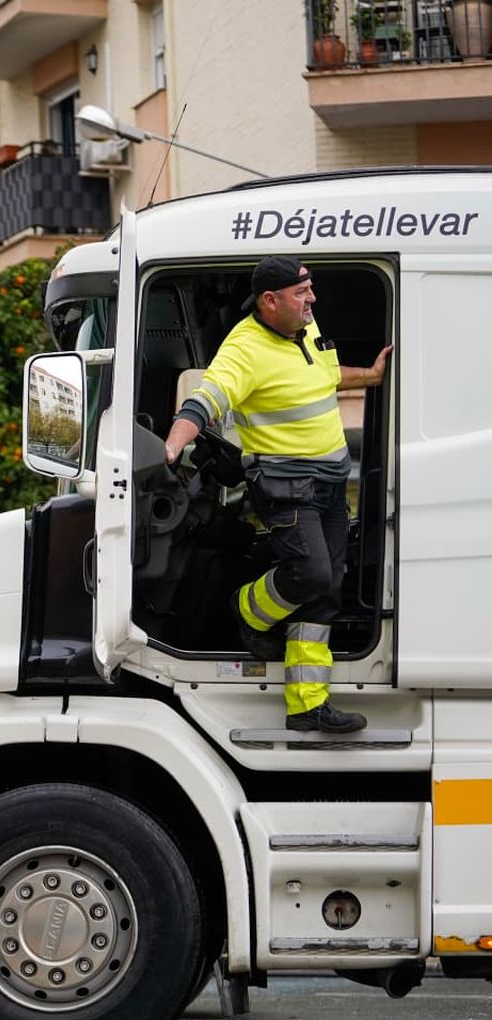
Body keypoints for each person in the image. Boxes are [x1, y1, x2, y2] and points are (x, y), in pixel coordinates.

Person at [163, 256, 388, 734]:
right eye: (301, 292)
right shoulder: (244, 347)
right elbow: (208, 398)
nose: (312, 299)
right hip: (286, 486)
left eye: (310, 289)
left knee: (325, 591)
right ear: (270, 300)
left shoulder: (303, 326)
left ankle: (307, 706)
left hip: (327, 484)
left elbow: (322, 378)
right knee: (310, 573)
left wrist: (369, 375)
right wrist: (175, 441)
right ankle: (245, 608)